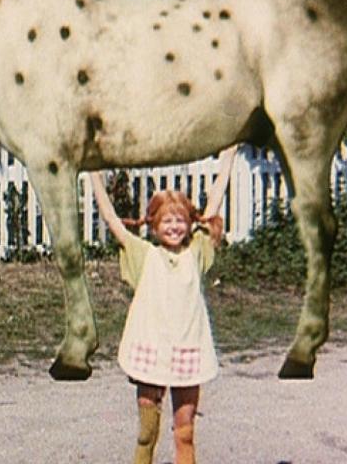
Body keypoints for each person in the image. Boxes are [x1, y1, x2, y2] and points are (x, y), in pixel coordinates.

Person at [90, 146, 238, 464]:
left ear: (189, 223)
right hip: (151, 351)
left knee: (184, 433)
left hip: (188, 351)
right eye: (166, 221)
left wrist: (228, 157)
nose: (174, 227)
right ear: (154, 226)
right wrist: (93, 172)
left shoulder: (196, 251)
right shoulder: (143, 254)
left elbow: (213, 204)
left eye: (180, 220)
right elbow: (111, 219)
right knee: (147, 433)